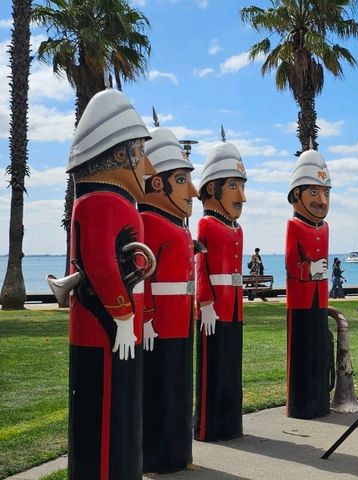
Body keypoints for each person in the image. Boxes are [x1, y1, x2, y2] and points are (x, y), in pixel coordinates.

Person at [65, 87, 154, 479]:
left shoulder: (114, 202)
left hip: (120, 323)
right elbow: (100, 264)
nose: (148, 169)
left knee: (122, 407)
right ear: (120, 154)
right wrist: (121, 314)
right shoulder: (102, 202)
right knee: (105, 412)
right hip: (105, 325)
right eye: (140, 152)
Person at [139, 125, 199, 473]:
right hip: (160, 322)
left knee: (179, 386)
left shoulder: (179, 226)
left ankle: (179, 451)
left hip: (181, 320)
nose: (191, 191)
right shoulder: (148, 220)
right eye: (181, 180)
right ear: (157, 183)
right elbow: (143, 272)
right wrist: (146, 315)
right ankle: (159, 455)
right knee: (161, 386)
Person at [194, 132, 247, 441]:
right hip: (215, 309)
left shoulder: (235, 227)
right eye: (234, 186)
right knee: (212, 369)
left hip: (234, 309)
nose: (241, 197)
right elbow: (201, 265)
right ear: (212, 189)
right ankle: (208, 425)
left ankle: (230, 422)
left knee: (231, 369)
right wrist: (205, 301)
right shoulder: (207, 224)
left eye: (241, 186)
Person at [285, 146, 332, 419]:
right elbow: (292, 264)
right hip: (300, 300)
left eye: (326, 192)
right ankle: (301, 403)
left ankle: (319, 400)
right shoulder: (295, 226)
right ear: (296, 195)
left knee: (318, 350)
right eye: (313, 192)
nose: (322, 200)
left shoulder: (324, 227)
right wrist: (310, 269)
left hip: (320, 297)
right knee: (301, 352)